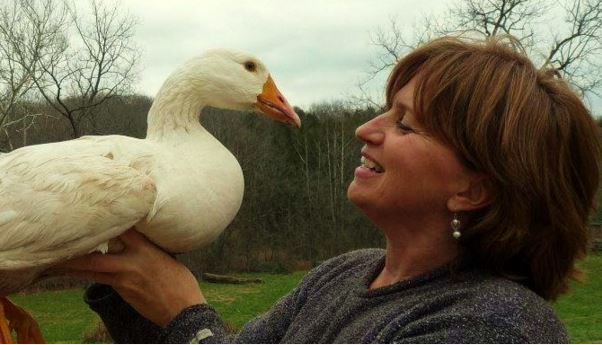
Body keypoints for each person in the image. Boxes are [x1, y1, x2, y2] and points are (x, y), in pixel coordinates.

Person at [59, 35, 601, 343]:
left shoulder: (494, 325)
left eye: (405, 124)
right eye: (386, 109)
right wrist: (127, 283)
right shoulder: (343, 276)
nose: (366, 129)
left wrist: (190, 316)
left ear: (473, 190)